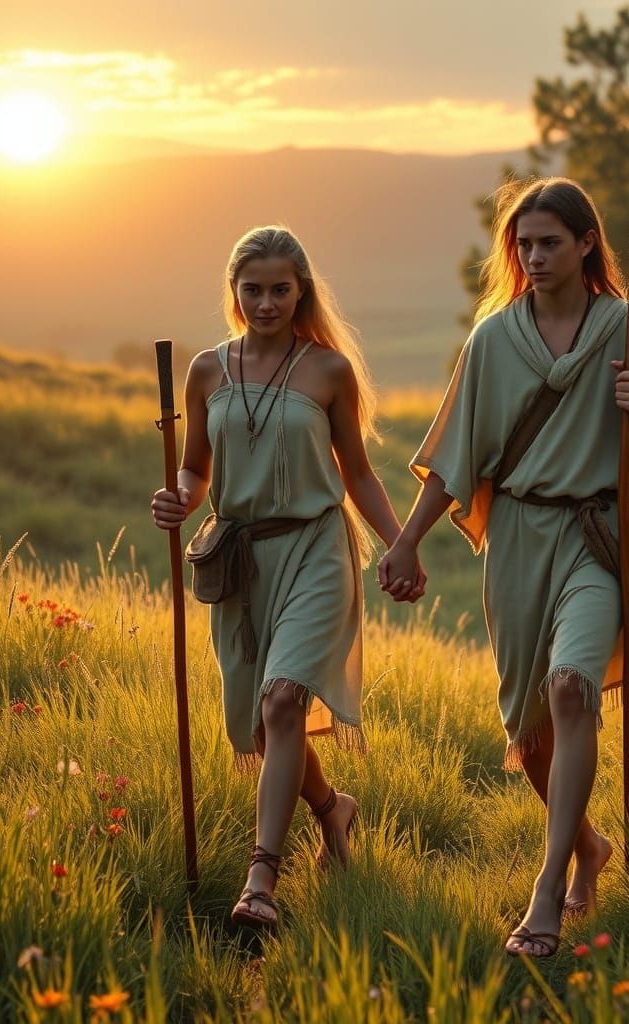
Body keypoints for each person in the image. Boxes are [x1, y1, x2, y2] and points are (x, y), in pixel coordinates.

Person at [378, 178, 629, 957]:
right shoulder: (494, 339)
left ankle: (547, 890)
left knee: (571, 686)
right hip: (519, 538)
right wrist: (406, 540)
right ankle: (588, 844)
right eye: (523, 244)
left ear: (587, 243)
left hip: (601, 533)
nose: (534, 255)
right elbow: (458, 458)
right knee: (529, 738)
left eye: (549, 241)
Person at [151, 225, 413, 932]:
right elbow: (196, 468)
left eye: (279, 289)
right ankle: (334, 809)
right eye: (253, 290)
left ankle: (260, 879)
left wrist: (401, 544)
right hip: (240, 559)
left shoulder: (328, 370)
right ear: (235, 293)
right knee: (270, 728)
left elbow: (357, 472)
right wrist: (178, 494)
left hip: (316, 552)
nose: (266, 302)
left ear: (301, 292)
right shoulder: (207, 370)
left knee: (281, 701)